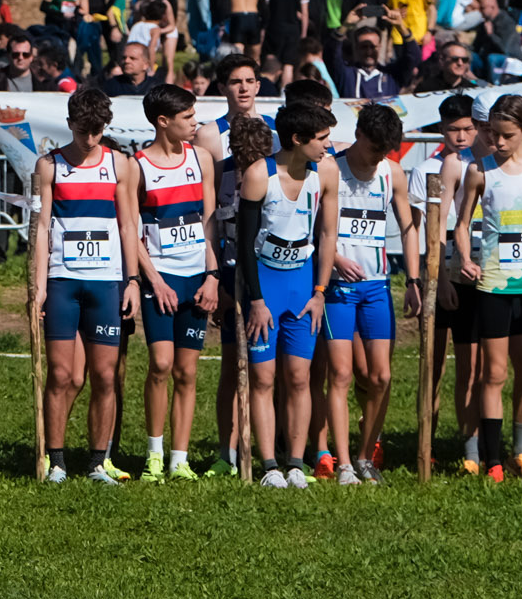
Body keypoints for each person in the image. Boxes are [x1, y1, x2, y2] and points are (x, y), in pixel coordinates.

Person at [447, 103, 522, 484]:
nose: (497, 142)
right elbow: (462, 224)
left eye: (507, 136)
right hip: (495, 284)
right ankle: (494, 462)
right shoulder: (479, 170)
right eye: (492, 134)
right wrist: (465, 257)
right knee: (494, 373)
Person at [29, 90, 138, 484]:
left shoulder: (120, 165)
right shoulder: (50, 165)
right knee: (61, 374)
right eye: (81, 130)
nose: (89, 139)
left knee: (104, 376)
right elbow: (41, 228)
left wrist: (132, 281)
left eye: (96, 132)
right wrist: (39, 285)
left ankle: (96, 462)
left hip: (106, 283)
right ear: (69, 122)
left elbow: (129, 225)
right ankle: (55, 460)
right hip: (62, 280)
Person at [235, 100, 337, 487]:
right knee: (263, 378)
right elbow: (244, 244)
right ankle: (269, 466)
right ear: (297, 139)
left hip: (302, 286)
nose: (328, 146)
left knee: (299, 376)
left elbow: (327, 235)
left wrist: (320, 291)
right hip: (265, 284)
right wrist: (256, 301)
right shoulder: (260, 175)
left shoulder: (325, 172)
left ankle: (296, 463)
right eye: (322, 139)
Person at [320, 100, 414, 483]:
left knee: (380, 377)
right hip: (338, 288)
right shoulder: (331, 169)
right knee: (341, 374)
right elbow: (316, 228)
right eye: (375, 148)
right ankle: (342, 463)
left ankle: (365, 455)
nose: (380, 157)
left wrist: (413, 279)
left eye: (386, 151)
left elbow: (409, 227)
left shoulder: (391, 173)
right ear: (358, 135)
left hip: (377, 287)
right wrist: (336, 259)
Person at [131, 87, 219, 479]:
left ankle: (179, 459)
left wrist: (213, 276)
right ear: (162, 121)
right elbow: (129, 230)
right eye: (186, 116)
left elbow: (210, 223)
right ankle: (154, 453)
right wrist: (154, 280)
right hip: (160, 279)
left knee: (187, 371)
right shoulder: (138, 166)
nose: (194, 121)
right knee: (161, 365)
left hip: (197, 278)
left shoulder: (201, 159)